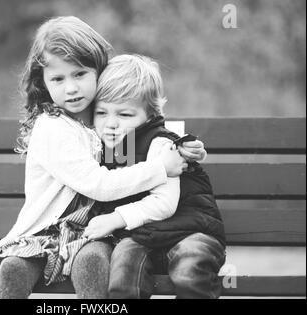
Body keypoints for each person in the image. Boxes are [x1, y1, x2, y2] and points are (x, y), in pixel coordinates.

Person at [0, 16, 205, 299]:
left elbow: (148, 124)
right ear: (42, 83)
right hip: (45, 233)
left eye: (79, 74)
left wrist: (183, 147)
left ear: (98, 71)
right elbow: (98, 185)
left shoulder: (101, 116)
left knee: (93, 261)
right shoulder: (52, 127)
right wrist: (161, 167)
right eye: (58, 79)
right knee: (17, 265)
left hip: (94, 230)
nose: (71, 88)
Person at [84, 54, 226, 299]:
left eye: (125, 115)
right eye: (101, 112)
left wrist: (115, 218)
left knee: (190, 272)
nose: (111, 123)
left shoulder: (161, 144)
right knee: (122, 278)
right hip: (140, 237)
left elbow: (165, 204)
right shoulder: (102, 147)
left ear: (150, 115)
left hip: (190, 231)